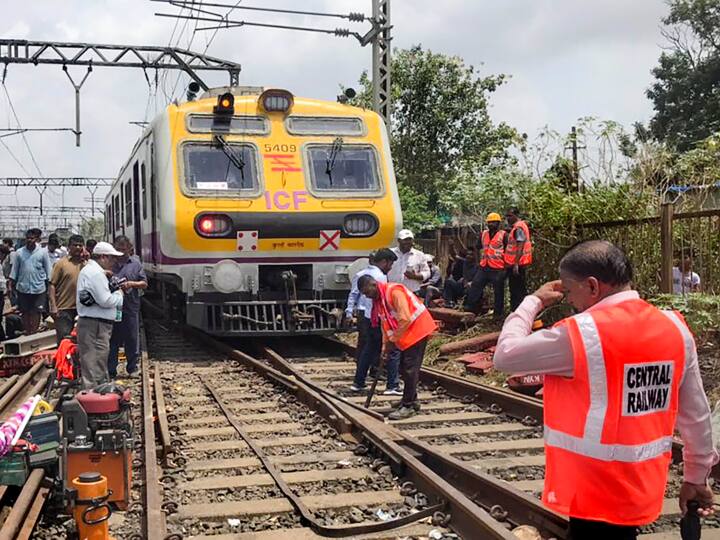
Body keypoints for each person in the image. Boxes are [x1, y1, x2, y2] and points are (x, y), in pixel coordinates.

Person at [493, 240, 717, 539]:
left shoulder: (582, 334)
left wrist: (533, 300)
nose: (571, 301)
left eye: (570, 292)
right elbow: (696, 414)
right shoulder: (675, 328)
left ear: (593, 286)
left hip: (593, 492)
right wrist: (696, 477)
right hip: (643, 486)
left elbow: (505, 355)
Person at [359, 275, 437, 420]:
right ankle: (411, 400)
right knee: (403, 367)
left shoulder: (394, 292)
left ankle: (408, 406)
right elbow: (386, 326)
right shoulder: (380, 300)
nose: (367, 296)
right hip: (408, 333)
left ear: (374, 284)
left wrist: (394, 339)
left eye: (367, 292)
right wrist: (385, 347)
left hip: (418, 329)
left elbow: (405, 318)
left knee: (410, 368)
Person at [345, 248, 400, 394]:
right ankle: (392, 385)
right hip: (378, 317)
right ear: (383, 262)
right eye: (390, 264)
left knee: (367, 348)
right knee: (392, 350)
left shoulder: (360, 274)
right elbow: (381, 302)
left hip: (365, 316)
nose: (390, 267)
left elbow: (353, 295)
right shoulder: (380, 277)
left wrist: (349, 312)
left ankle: (358, 382)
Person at [76, 241, 125, 389]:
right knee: (94, 360)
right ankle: (93, 394)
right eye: (112, 258)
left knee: (96, 360)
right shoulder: (96, 273)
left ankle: (98, 391)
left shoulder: (90, 271)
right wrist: (119, 294)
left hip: (94, 323)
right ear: (103, 257)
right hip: (95, 325)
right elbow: (106, 300)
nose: (114, 261)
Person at [107, 236, 148, 379]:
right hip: (112, 307)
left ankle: (132, 368)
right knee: (113, 339)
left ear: (129, 249)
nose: (121, 252)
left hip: (130, 306)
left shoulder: (135, 264)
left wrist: (131, 284)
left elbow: (144, 283)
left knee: (132, 338)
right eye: (118, 249)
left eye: (124, 249)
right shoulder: (109, 264)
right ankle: (111, 369)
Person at [8, 228, 52, 336]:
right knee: (25, 312)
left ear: (36, 239)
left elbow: (49, 272)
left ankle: (34, 333)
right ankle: (28, 332)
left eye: (32, 238)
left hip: (39, 288)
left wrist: (50, 287)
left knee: (36, 312)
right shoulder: (19, 253)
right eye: (27, 238)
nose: (29, 240)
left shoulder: (43, 253)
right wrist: (10, 285)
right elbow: (14, 271)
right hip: (23, 288)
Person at [464, 213, 506, 319]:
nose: (490, 224)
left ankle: (498, 314)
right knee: (476, 285)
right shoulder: (483, 234)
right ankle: (471, 309)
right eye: (489, 222)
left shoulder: (504, 235)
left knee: (498, 291)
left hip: (498, 268)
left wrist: (506, 266)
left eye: (493, 222)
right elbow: (477, 248)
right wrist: (478, 262)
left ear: (498, 223)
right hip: (485, 266)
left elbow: (509, 251)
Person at [48, 234, 85, 346]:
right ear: (69, 247)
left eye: (80, 245)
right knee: (65, 340)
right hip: (64, 308)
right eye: (75, 245)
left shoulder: (86, 264)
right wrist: (53, 306)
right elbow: (52, 285)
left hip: (82, 309)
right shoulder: (61, 264)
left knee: (81, 340)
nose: (78, 248)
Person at [504, 207, 533, 311]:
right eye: (507, 216)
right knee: (517, 289)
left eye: (510, 216)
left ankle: (519, 312)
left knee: (517, 291)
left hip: (517, 265)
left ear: (516, 216)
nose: (508, 218)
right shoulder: (516, 227)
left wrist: (515, 263)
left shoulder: (519, 228)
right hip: (516, 264)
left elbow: (520, 245)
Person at [388, 229, 431, 295]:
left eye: (410, 239)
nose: (408, 242)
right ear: (399, 240)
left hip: (412, 292)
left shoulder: (419, 255)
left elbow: (427, 272)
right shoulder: (390, 253)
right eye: (405, 240)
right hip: (392, 291)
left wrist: (415, 276)